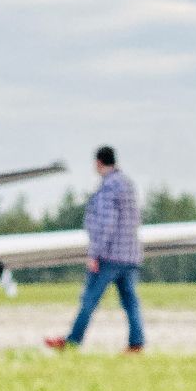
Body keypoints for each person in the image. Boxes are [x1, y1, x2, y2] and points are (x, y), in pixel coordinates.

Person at [45, 145, 145, 353]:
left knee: (89, 300)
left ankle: (73, 341)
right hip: (130, 255)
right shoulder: (127, 184)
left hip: (109, 256)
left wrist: (94, 253)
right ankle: (136, 344)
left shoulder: (108, 187)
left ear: (98, 162)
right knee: (131, 304)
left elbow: (106, 223)